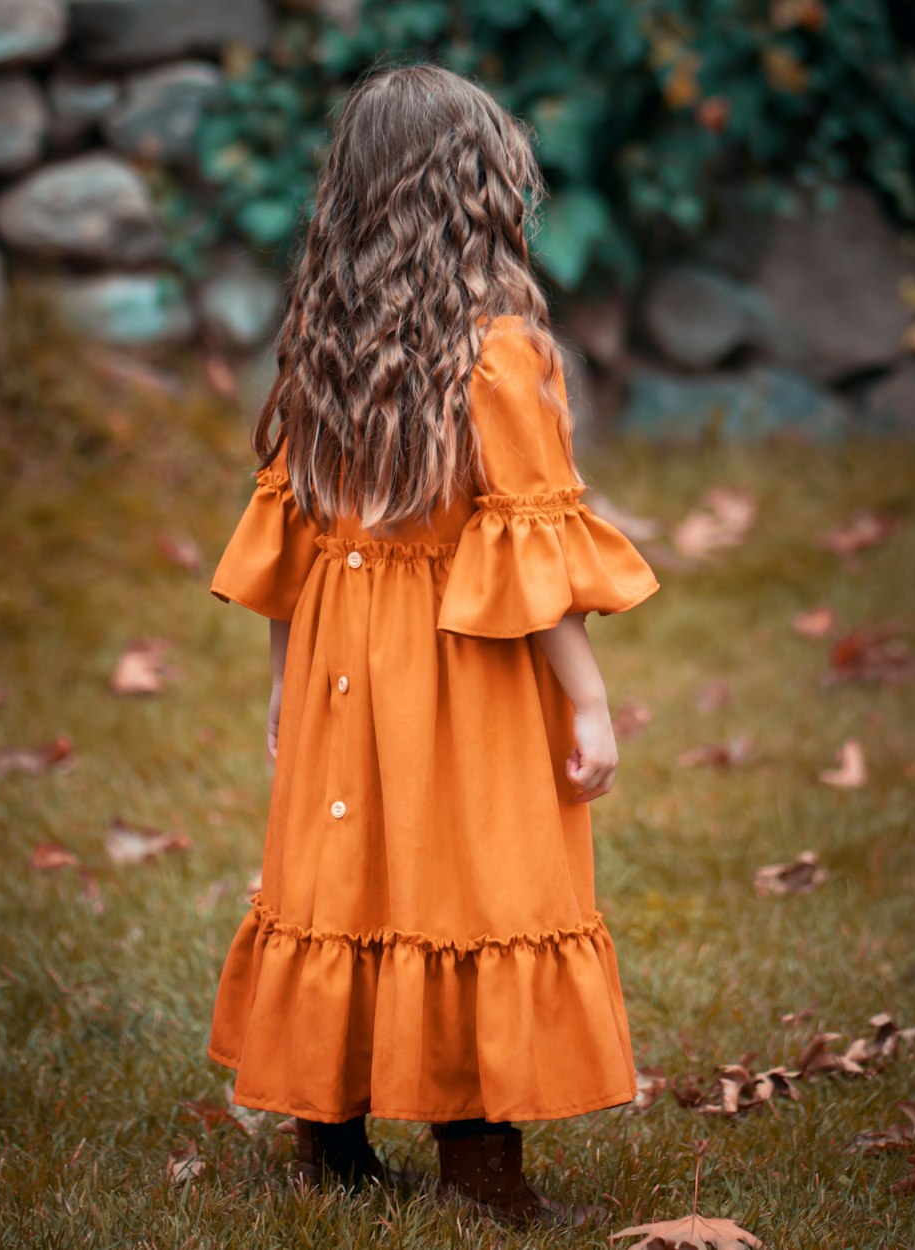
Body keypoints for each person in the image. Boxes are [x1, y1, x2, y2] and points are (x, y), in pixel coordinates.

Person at [205, 63, 661, 1230]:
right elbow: (531, 548)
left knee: (340, 880)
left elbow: (291, 529)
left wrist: (281, 681)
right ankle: (480, 1169)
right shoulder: (502, 350)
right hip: (461, 667)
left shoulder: (319, 332)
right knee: (473, 880)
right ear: (475, 193)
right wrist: (590, 700)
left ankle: (333, 1143)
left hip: (337, 660)